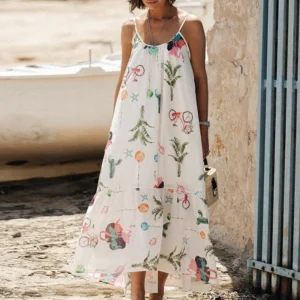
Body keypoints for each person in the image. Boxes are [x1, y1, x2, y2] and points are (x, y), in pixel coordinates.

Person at [72, 0, 218, 299]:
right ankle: (136, 291)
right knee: (137, 206)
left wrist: (203, 130)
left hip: (178, 134)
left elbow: (201, 79)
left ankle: (158, 292)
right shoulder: (130, 29)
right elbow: (123, 80)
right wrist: (115, 135)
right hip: (133, 138)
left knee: (170, 206)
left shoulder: (189, 26)